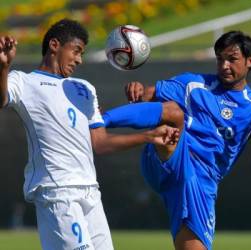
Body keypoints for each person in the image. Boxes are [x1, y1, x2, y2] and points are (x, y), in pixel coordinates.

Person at [104, 31, 251, 250]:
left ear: (250, 61)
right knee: (174, 112)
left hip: (202, 183)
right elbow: (150, 95)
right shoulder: (193, 84)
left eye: (232, 59)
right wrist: (139, 93)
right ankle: (100, 121)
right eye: (220, 59)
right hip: (168, 159)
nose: (224, 65)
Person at [0, 19, 179, 250]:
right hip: (58, 193)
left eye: (82, 53)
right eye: (76, 51)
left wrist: (149, 136)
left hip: (91, 193)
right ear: (54, 45)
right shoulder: (24, 81)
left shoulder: (84, 89)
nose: (79, 59)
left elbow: (101, 143)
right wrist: (4, 66)